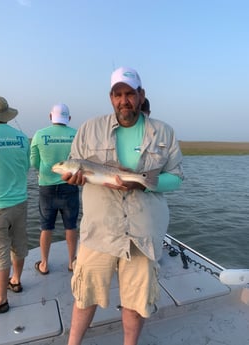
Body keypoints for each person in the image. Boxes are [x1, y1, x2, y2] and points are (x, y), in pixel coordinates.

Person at [62, 67, 184, 345]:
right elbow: (74, 165)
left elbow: (176, 178)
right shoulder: (89, 128)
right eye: (118, 94)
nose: (124, 100)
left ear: (141, 95)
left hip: (143, 234)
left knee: (135, 302)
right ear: (111, 97)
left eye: (130, 93)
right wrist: (75, 178)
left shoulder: (164, 132)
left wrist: (140, 183)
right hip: (99, 231)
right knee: (85, 295)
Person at [0, 96, 30, 314]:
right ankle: (15, 281)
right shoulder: (23, 138)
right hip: (20, 201)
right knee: (19, 244)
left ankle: (0, 300)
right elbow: (26, 166)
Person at [30, 103, 79, 274]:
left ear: (50, 117)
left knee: (46, 227)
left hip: (46, 187)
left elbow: (33, 161)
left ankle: (44, 264)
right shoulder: (76, 134)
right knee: (71, 226)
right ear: (69, 118)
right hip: (70, 185)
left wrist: (44, 173)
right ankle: (72, 262)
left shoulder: (39, 134)